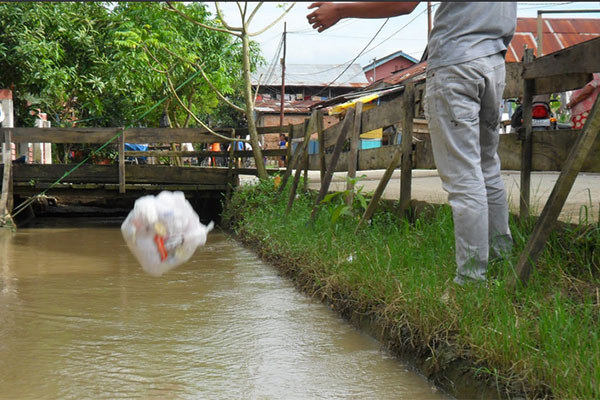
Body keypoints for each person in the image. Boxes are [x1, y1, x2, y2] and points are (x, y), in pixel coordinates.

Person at [307, 2, 516, 286]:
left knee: (464, 177)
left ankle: (471, 281)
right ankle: (501, 265)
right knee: (487, 167)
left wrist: (340, 10)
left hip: (457, 63)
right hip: (493, 62)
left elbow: (404, 3)